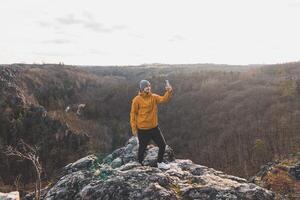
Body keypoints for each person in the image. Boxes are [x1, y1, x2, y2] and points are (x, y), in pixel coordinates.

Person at [130, 79, 173, 170]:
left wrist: (168, 91)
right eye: (146, 86)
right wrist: (134, 130)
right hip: (142, 129)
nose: (148, 88)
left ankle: (160, 163)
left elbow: (164, 99)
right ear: (141, 88)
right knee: (142, 148)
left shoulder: (153, 97)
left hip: (154, 128)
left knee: (162, 145)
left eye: (149, 86)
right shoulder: (136, 100)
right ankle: (140, 166)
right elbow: (133, 115)